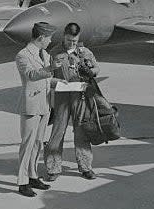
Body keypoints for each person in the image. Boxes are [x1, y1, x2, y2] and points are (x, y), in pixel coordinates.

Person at [45, 22, 100, 181]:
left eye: (74, 41)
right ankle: (53, 168)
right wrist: (58, 83)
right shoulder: (54, 53)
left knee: (81, 131)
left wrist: (91, 72)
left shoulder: (84, 52)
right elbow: (48, 77)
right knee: (57, 132)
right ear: (64, 36)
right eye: (69, 40)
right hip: (62, 97)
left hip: (80, 97)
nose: (72, 44)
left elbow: (97, 68)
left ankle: (85, 166)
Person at [15, 22, 61, 197]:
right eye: (49, 38)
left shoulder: (46, 54)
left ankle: (33, 175)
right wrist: (51, 68)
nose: (50, 41)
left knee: (38, 143)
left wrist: (61, 83)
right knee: (27, 144)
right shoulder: (23, 55)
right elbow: (31, 76)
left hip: (44, 104)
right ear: (41, 38)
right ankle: (22, 181)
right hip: (31, 105)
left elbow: (47, 80)